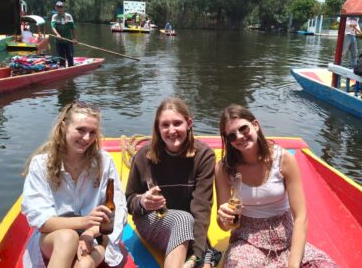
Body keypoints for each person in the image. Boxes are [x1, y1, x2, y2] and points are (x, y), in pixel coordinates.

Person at [215, 104, 338, 268]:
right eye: (231, 136)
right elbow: (224, 226)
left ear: (255, 125)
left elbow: (301, 216)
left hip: (286, 236)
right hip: (247, 239)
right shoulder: (224, 168)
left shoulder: (284, 159)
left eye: (243, 129)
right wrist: (225, 218)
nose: (239, 137)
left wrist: (293, 265)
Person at [21, 100, 127, 268]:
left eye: (92, 132)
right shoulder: (40, 165)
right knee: (67, 238)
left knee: (84, 264)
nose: (87, 138)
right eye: (81, 130)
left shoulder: (104, 162)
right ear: (64, 127)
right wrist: (83, 222)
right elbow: (41, 222)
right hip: (54, 238)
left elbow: (119, 210)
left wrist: (89, 233)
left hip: (95, 235)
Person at [126, 97, 220, 268]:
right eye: (165, 125)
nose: (172, 130)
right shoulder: (143, 156)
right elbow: (129, 201)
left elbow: (202, 207)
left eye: (177, 123)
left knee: (199, 251)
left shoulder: (204, 156)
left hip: (190, 223)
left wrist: (196, 255)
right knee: (183, 219)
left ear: (189, 123)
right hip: (152, 220)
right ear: (158, 128)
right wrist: (142, 201)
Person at [51, 1, 77, 67]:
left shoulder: (68, 16)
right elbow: (53, 27)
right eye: (58, 7)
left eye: (61, 7)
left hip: (68, 41)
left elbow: (73, 28)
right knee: (61, 58)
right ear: (56, 8)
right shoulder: (54, 17)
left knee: (70, 56)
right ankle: (62, 69)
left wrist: (74, 38)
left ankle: (71, 68)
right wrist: (57, 34)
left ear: (63, 8)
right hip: (59, 42)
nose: (59, 9)